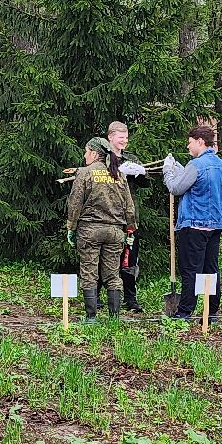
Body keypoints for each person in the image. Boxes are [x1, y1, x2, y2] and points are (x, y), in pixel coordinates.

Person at [162, 124, 222, 322]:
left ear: (200, 142)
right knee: (211, 268)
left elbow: (176, 188)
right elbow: (200, 185)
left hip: (193, 226)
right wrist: (179, 169)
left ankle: (184, 311)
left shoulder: (197, 165)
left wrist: (168, 170)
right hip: (215, 225)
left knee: (191, 269)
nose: (188, 146)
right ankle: (212, 311)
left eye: (190, 142)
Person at [67, 136, 135, 321]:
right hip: (114, 232)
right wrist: (131, 229)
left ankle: (91, 317)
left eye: (86, 150)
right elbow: (129, 205)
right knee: (113, 274)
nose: (84, 154)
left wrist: (71, 228)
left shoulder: (84, 173)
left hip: (90, 231)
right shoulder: (118, 174)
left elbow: (75, 204)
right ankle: (114, 318)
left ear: (94, 153)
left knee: (89, 273)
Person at [108, 121, 153, 314]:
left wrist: (141, 174)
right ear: (110, 137)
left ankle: (131, 298)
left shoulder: (131, 158)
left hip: (129, 217)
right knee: (107, 258)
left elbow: (145, 185)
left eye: (126, 137)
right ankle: (106, 295)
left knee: (130, 258)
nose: (124, 141)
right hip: (109, 215)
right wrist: (117, 173)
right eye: (120, 137)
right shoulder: (103, 159)